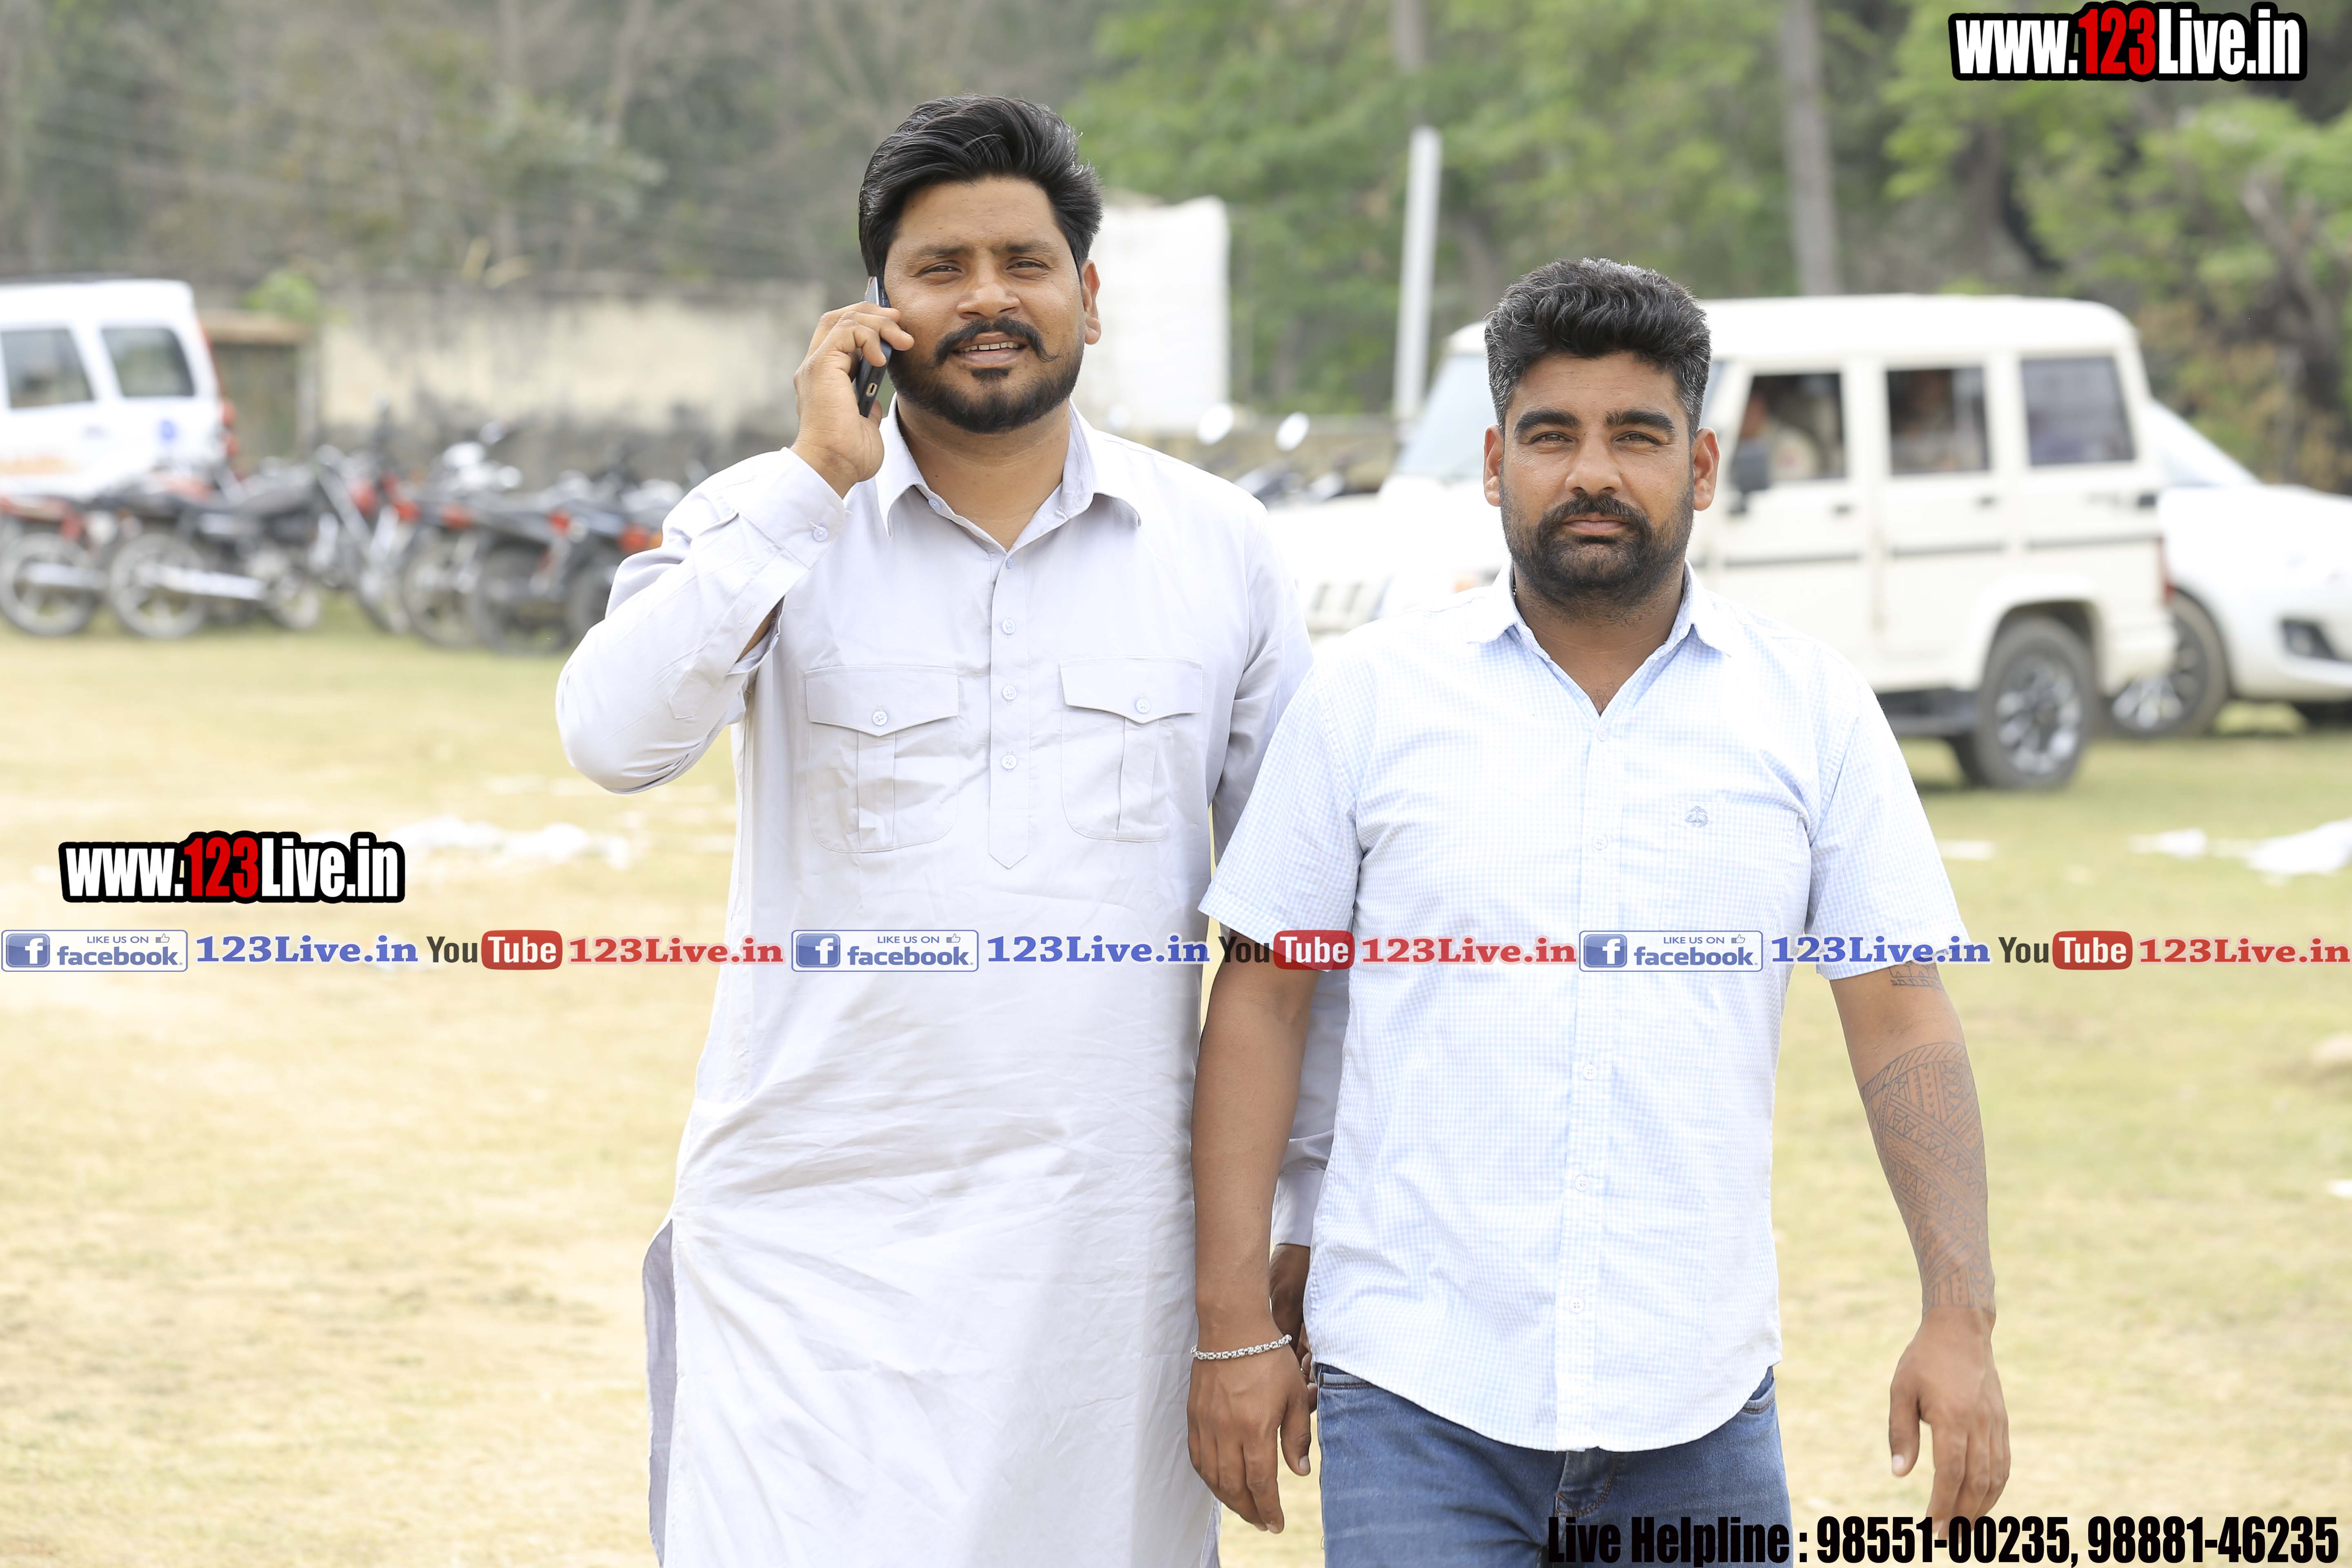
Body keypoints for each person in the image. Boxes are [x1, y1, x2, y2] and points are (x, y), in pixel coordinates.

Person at [556, 95, 1340, 1566]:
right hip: (809, 1247)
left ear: (1089, 295)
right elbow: (610, 738)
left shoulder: (1215, 545)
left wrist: (1297, 1210)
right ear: (874, 309)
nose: (988, 297)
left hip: (1103, 1260)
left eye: (1024, 262)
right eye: (939, 268)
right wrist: (811, 485)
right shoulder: (766, 517)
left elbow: (1294, 926)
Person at [1185, 258, 2009, 1564]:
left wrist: (1958, 1316)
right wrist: (1232, 1321)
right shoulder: (1366, 701)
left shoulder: (1810, 710)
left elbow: (1902, 1016)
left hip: (1700, 1401)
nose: (1593, 473)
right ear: (1494, 462)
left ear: (1703, 465)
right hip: (1417, 1389)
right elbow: (1263, 1005)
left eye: (1637, 435)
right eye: (1552, 436)